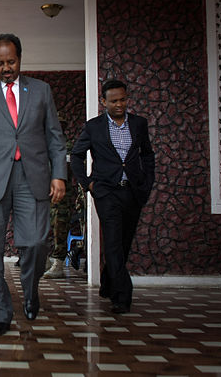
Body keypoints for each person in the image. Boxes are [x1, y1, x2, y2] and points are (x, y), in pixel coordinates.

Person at [0, 33, 67, 336]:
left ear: (20, 58)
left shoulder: (41, 91)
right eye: (0, 62)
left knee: (35, 242)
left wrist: (59, 174)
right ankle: (0, 313)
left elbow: (55, 137)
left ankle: (31, 292)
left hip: (32, 177)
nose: (6, 67)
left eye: (11, 61)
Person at [71, 79, 155, 314]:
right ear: (104, 102)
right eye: (114, 101)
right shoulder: (94, 127)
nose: (120, 104)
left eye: (123, 99)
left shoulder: (139, 124)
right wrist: (88, 184)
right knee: (112, 241)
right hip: (106, 192)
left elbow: (147, 155)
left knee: (124, 242)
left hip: (133, 191)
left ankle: (109, 281)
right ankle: (122, 296)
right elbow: (76, 155)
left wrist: (147, 183)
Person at [44, 116, 74, 279]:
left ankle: (58, 262)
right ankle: (46, 259)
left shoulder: (66, 146)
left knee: (59, 227)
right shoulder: (43, 144)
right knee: (42, 227)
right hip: (44, 194)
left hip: (61, 197)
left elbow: (67, 170)